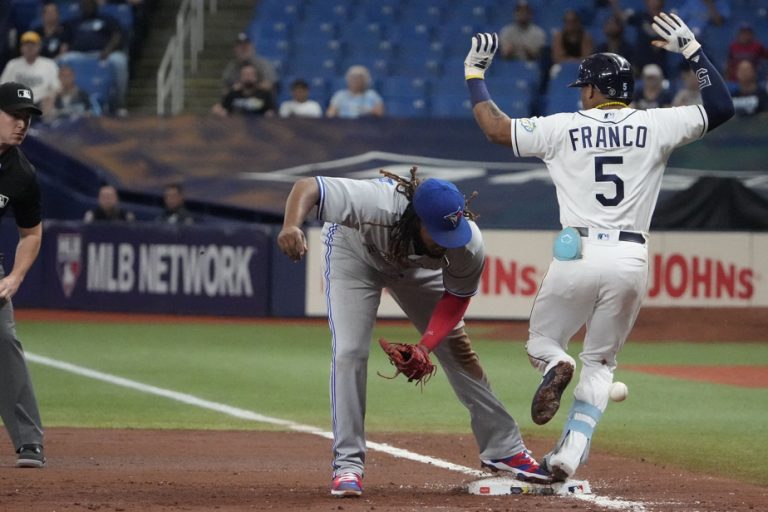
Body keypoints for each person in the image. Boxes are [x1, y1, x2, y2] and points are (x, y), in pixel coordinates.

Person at [463, 12, 733, 481]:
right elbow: (723, 107)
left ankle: (555, 362)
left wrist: (475, 77)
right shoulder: (657, 124)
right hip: (631, 256)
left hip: (578, 252)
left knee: (543, 342)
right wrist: (693, 50)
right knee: (602, 362)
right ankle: (570, 452)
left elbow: (495, 128)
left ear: (590, 90)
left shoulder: (561, 126)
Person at [278, 169, 552, 497]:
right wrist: (291, 225)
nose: (445, 240)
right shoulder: (376, 205)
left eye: (450, 232)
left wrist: (425, 346)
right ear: (414, 218)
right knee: (350, 351)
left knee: (458, 349)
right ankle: (348, 465)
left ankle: (504, 449)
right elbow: (308, 187)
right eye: (436, 232)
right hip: (356, 255)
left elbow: (455, 301)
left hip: (416, 271)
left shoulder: (466, 243)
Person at [0, 81, 50, 468]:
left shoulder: (21, 172)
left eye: (28, 118)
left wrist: (15, 277)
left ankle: (29, 441)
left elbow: (31, 234)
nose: (22, 125)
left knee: (4, 339)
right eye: (15, 115)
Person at [59, 0, 129, 115]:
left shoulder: (106, 19)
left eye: (90, 3)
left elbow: (117, 35)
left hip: (102, 54)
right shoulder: (74, 22)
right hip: (79, 55)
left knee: (120, 61)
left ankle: (119, 102)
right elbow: (65, 41)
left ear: (96, 5)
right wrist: (63, 51)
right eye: (85, 3)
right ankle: (62, 101)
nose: (87, 6)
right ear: (80, 6)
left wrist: (108, 50)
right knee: (61, 60)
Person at [0, 31, 60, 117]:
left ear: (39, 47)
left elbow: (56, 87)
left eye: (33, 45)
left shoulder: (49, 64)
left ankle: (45, 128)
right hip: (17, 104)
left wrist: (50, 97)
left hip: (40, 104)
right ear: (21, 48)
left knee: (49, 101)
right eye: (26, 45)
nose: (29, 48)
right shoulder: (12, 64)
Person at [610, 0, 670, 77]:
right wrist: (614, 3)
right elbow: (622, 18)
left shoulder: (667, 19)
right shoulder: (641, 16)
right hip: (640, 61)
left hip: (659, 62)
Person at [211, 64, 276, 117]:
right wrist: (219, 111)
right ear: (240, 77)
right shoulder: (233, 94)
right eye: (245, 74)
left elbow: (272, 111)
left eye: (251, 75)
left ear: (256, 77)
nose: (248, 77)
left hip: (259, 128)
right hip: (236, 128)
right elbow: (221, 108)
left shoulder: (265, 94)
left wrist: (269, 114)